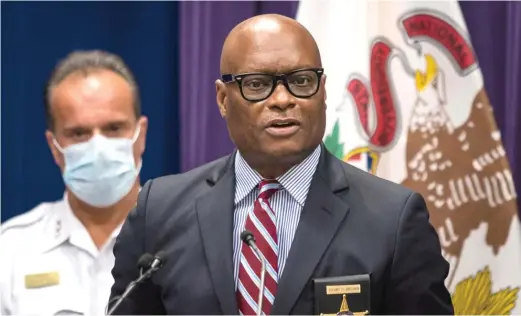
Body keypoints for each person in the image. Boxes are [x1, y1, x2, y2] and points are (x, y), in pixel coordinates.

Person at [109, 14, 454, 315]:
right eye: (257, 85)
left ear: (323, 90)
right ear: (222, 99)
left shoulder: (393, 220)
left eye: (301, 81)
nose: (283, 99)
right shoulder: (159, 211)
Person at [0, 50, 148, 315]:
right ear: (54, 147)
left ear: (141, 135)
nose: (98, 146)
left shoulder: (183, 242)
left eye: (114, 128)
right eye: (78, 133)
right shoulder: (10, 251)